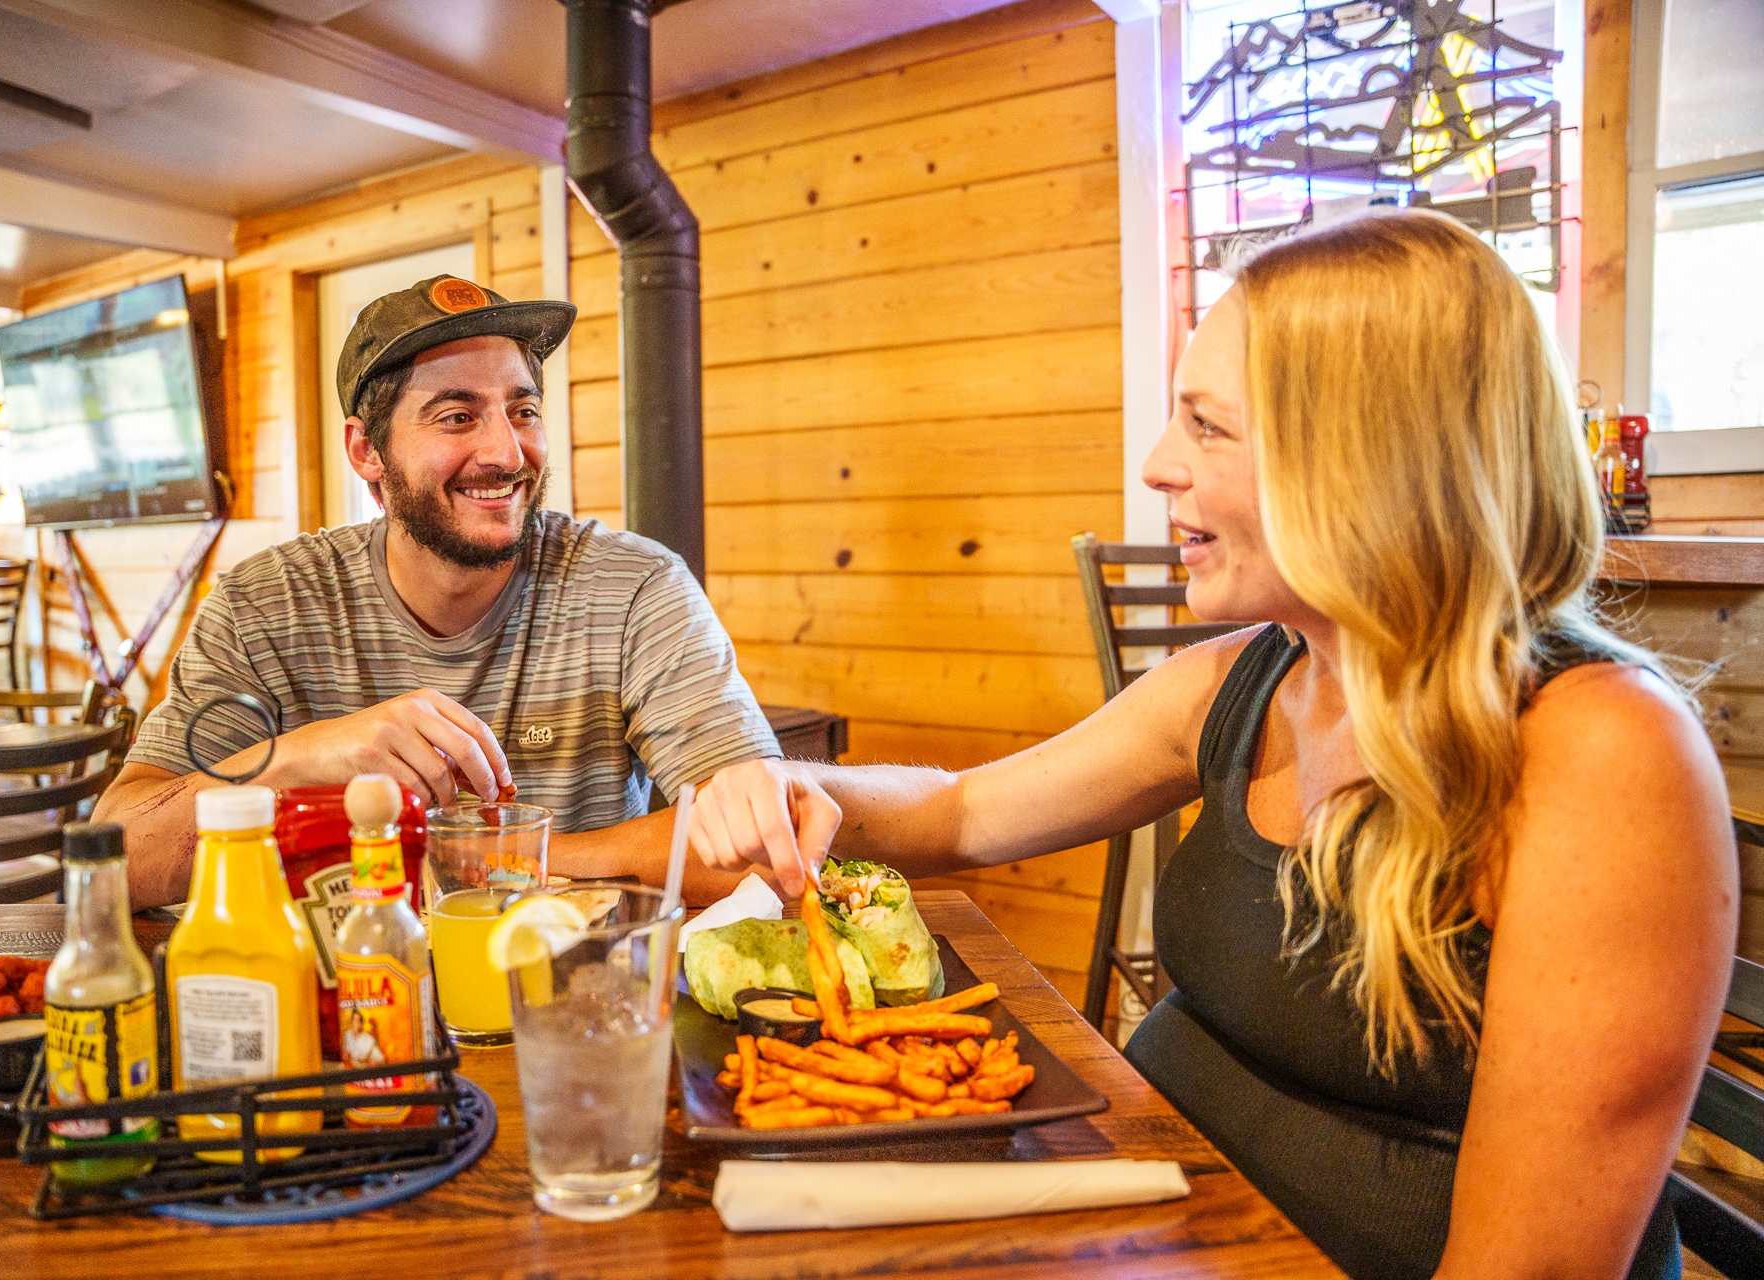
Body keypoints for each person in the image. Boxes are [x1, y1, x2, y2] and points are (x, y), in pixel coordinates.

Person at [685, 213, 1734, 1279]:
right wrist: (790, 776)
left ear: (1364, 456)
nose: (1157, 465)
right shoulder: (1256, 671)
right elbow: (961, 808)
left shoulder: (1603, 751)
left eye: (1208, 427)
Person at [97, 276, 779, 909]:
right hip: (325, 1009)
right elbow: (110, 864)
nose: (507, 454)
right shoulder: (262, 605)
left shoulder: (633, 587)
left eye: (523, 410)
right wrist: (307, 757)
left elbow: (764, 841)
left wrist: (494, 856)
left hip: (571, 1008)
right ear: (367, 451)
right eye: (457, 416)